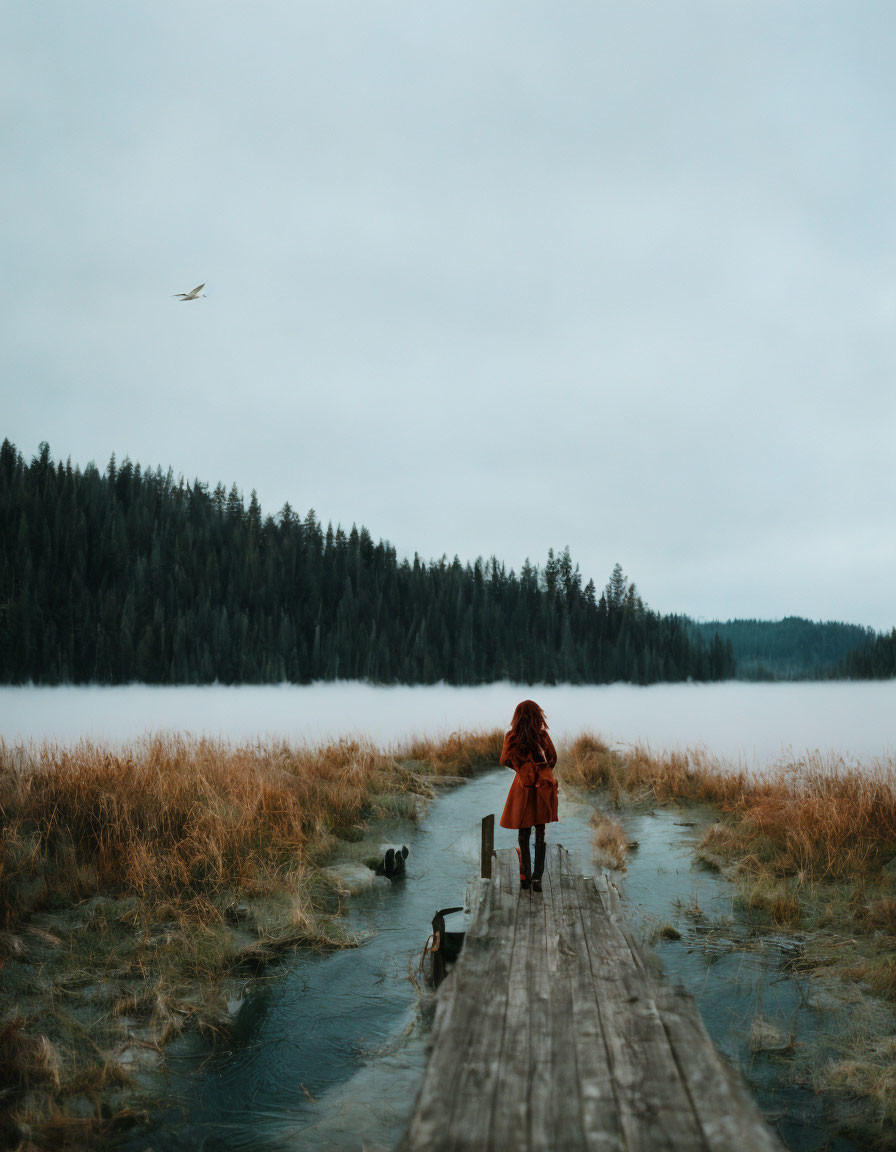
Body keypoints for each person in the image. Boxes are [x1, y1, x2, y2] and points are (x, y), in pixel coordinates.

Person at [498, 700, 559, 892]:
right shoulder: (542, 736)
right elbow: (553, 758)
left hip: (522, 789)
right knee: (539, 832)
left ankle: (525, 876)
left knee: (523, 834)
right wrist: (541, 771)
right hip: (540, 788)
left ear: (517, 716)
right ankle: (537, 879)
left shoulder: (512, 736)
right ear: (537, 716)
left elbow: (505, 759)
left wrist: (522, 770)